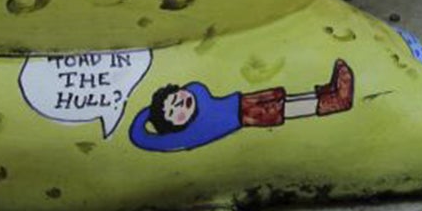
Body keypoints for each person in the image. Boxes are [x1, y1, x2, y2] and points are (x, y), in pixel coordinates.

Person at [130, 60, 354, 153]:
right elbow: (141, 137)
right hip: (245, 115)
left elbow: (194, 91)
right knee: (283, 108)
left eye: (175, 98)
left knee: (282, 99)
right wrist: (149, 112)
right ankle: (333, 102)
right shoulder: (186, 136)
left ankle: (328, 94)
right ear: (173, 126)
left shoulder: (195, 108)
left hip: (241, 102)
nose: (179, 103)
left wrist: (157, 110)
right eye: (173, 111)